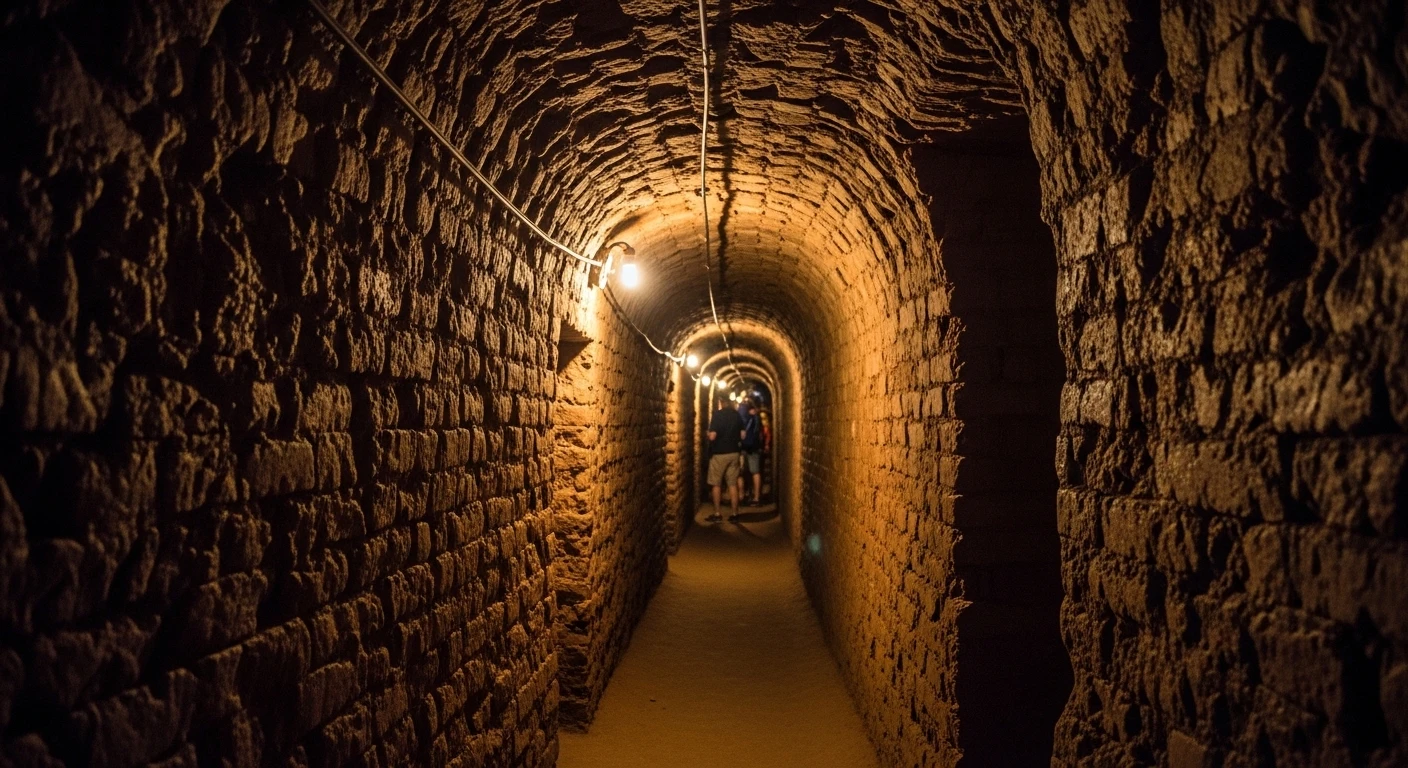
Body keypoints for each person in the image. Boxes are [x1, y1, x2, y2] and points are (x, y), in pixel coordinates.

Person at [706, 396, 746, 523]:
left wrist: (707, 434)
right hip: (734, 452)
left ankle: (717, 514)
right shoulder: (736, 415)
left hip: (719, 453)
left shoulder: (717, 415)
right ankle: (735, 514)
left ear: (721, 402)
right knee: (732, 484)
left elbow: (712, 437)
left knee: (716, 483)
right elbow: (743, 435)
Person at [739, 401, 764, 505]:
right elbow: (760, 433)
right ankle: (756, 497)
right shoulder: (756, 418)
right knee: (755, 472)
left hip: (741, 448)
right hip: (754, 448)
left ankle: (741, 496)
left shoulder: (740, 417)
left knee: (740, 473)